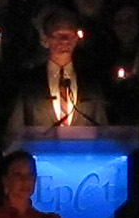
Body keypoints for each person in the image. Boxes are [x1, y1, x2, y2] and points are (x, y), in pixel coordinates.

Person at [6, 7, 109, 137]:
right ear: (46, 39)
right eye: (57, 35)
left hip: (82, 155)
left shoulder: (90, 80)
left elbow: (103, 129)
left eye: (69, 35)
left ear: (76, 38)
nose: (64, 40)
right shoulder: (30, 81)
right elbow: (15, 131)